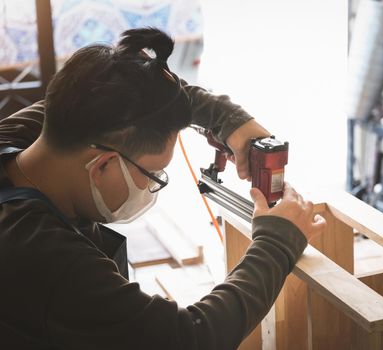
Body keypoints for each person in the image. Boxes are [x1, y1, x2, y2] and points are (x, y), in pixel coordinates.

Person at [0, 28, 326, 349]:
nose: (152, 187)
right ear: (102, 165)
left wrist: (227, 119)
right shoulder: (50, 260)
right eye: (154, 173)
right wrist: (276, 243)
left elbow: (127, 94)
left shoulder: (27, 134)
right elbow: (188, 338)